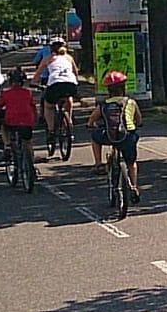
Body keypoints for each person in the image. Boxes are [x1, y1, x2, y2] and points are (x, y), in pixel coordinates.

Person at [88, 70, 142, 200]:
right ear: (124, 87)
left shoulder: (104, 105)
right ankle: (134, 185)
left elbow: (91, 120)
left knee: (95, 137)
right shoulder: (131, 102)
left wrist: (92, 125)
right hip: (128, 135)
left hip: (110, 135)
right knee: (131, 162)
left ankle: (98, 163)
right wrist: (136, 123)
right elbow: (139, 120)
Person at [33, 38, 81, 154]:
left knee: (48, 106)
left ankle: (51, 131)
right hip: (70, 84)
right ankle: (69, 122)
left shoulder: (48, 59)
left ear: (51, 48)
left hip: (55, 85)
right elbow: (76, 72)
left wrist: (34, 83)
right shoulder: (69, 58)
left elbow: (38, 74)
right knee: (68, 98)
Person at [0, 68, 39, 156]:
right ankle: (31, 160)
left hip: (11, 120)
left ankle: (7, 144)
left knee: (3, 125)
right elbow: (33, 107)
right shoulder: (28, 92)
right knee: (28, 142)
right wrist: (36, 119)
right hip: (27, 120)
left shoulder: (5, 93)